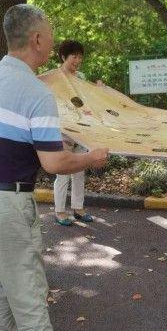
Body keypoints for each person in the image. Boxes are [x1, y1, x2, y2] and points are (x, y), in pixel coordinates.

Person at [0, 4, 107, 331]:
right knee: (26, 287)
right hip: (4, 203)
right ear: (38, 39)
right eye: (51, 34)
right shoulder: (36, 93)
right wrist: (91, 157)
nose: (54, 40)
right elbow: (55, 162)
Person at [52, 40, 94, 226]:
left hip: (81, 130)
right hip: (62, 132)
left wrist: (98, 89)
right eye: (73, 56)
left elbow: (87, 101)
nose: (77, 60)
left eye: (80, 56)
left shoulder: (81, 77)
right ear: (63, 57)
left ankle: (78, 208)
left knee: (79, 172)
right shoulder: (54, 78)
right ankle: (60, 211)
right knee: (62, 173)